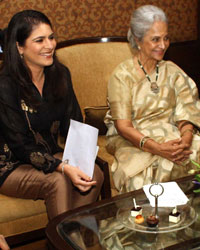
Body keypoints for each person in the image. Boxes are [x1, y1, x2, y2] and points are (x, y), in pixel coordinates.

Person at [0, 10, 104, 220]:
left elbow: (73, 123)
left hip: (49, 153)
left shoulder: (60, 74)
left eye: (51, 37)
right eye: (39, 40)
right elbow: (20, 145)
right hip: (11, 164)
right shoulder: (5, 85)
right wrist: (63, 168)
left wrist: (82, 158)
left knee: (95, 172)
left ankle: (71, 235)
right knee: (56, 181)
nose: (49, 45)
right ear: (19, 47)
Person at [105, 5, 200, 193]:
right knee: (140, 178)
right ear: (138, 40)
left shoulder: (172, 71)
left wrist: (186, 139)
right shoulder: (122, 76)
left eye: (166, 38)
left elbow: (187, 110)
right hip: (134, 139)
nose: (163, 45)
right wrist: (157, 148)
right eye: (155, 39)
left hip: (172, 133)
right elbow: (124, 126)